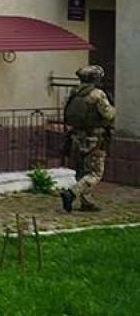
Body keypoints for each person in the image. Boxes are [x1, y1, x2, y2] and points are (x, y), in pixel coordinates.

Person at [60, 65, 116, 213]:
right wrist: (113, 107)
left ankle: (87, 202)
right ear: (95, 79)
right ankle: (71, 193)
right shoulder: (97, 94)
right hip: (94, 138)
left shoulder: (74, 93)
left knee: (81, 171)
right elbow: (108, 114)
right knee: (95, 173)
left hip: (76, 137)